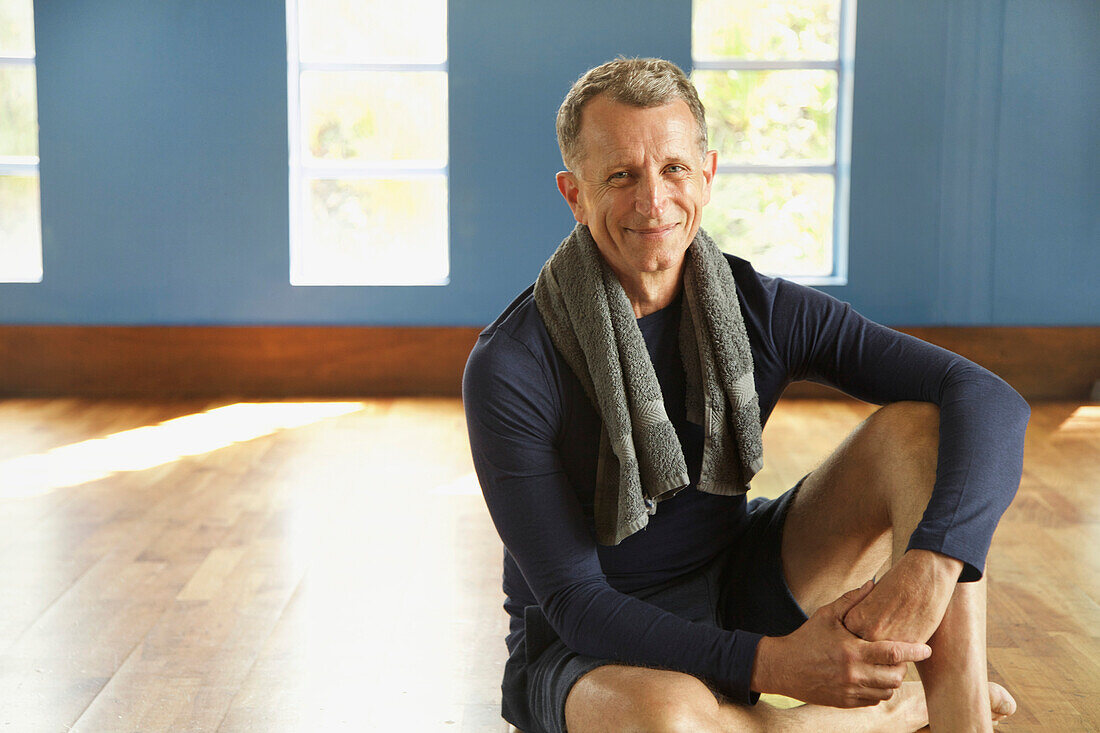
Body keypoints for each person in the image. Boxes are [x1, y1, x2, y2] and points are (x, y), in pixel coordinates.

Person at [463, 57, 1028, 733]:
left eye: (673, 168)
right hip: (586, 641)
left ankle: (961, 719)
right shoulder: (511, 364)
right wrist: (779, 666)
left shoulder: (756, 307)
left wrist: (933, 563)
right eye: (620, 175)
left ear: (707, 175)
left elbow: (986, 397)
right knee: (670, 723)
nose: (652, 201)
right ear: (574, 193)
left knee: (919, 431)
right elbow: (575, 601)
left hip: (738, 576)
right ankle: (854, 718)